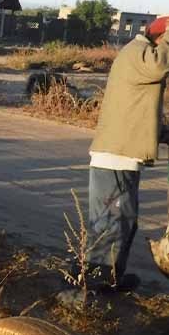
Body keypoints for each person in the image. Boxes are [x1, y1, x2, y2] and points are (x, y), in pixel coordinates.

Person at [66, 15, 169, 295]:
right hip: (115, 158)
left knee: (123, 221)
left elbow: (138, 114)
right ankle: (91, 287)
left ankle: (107, 277)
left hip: (123, 156)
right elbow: (160, 66)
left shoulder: (139, 57)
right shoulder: (137, 53)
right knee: (111, 222)